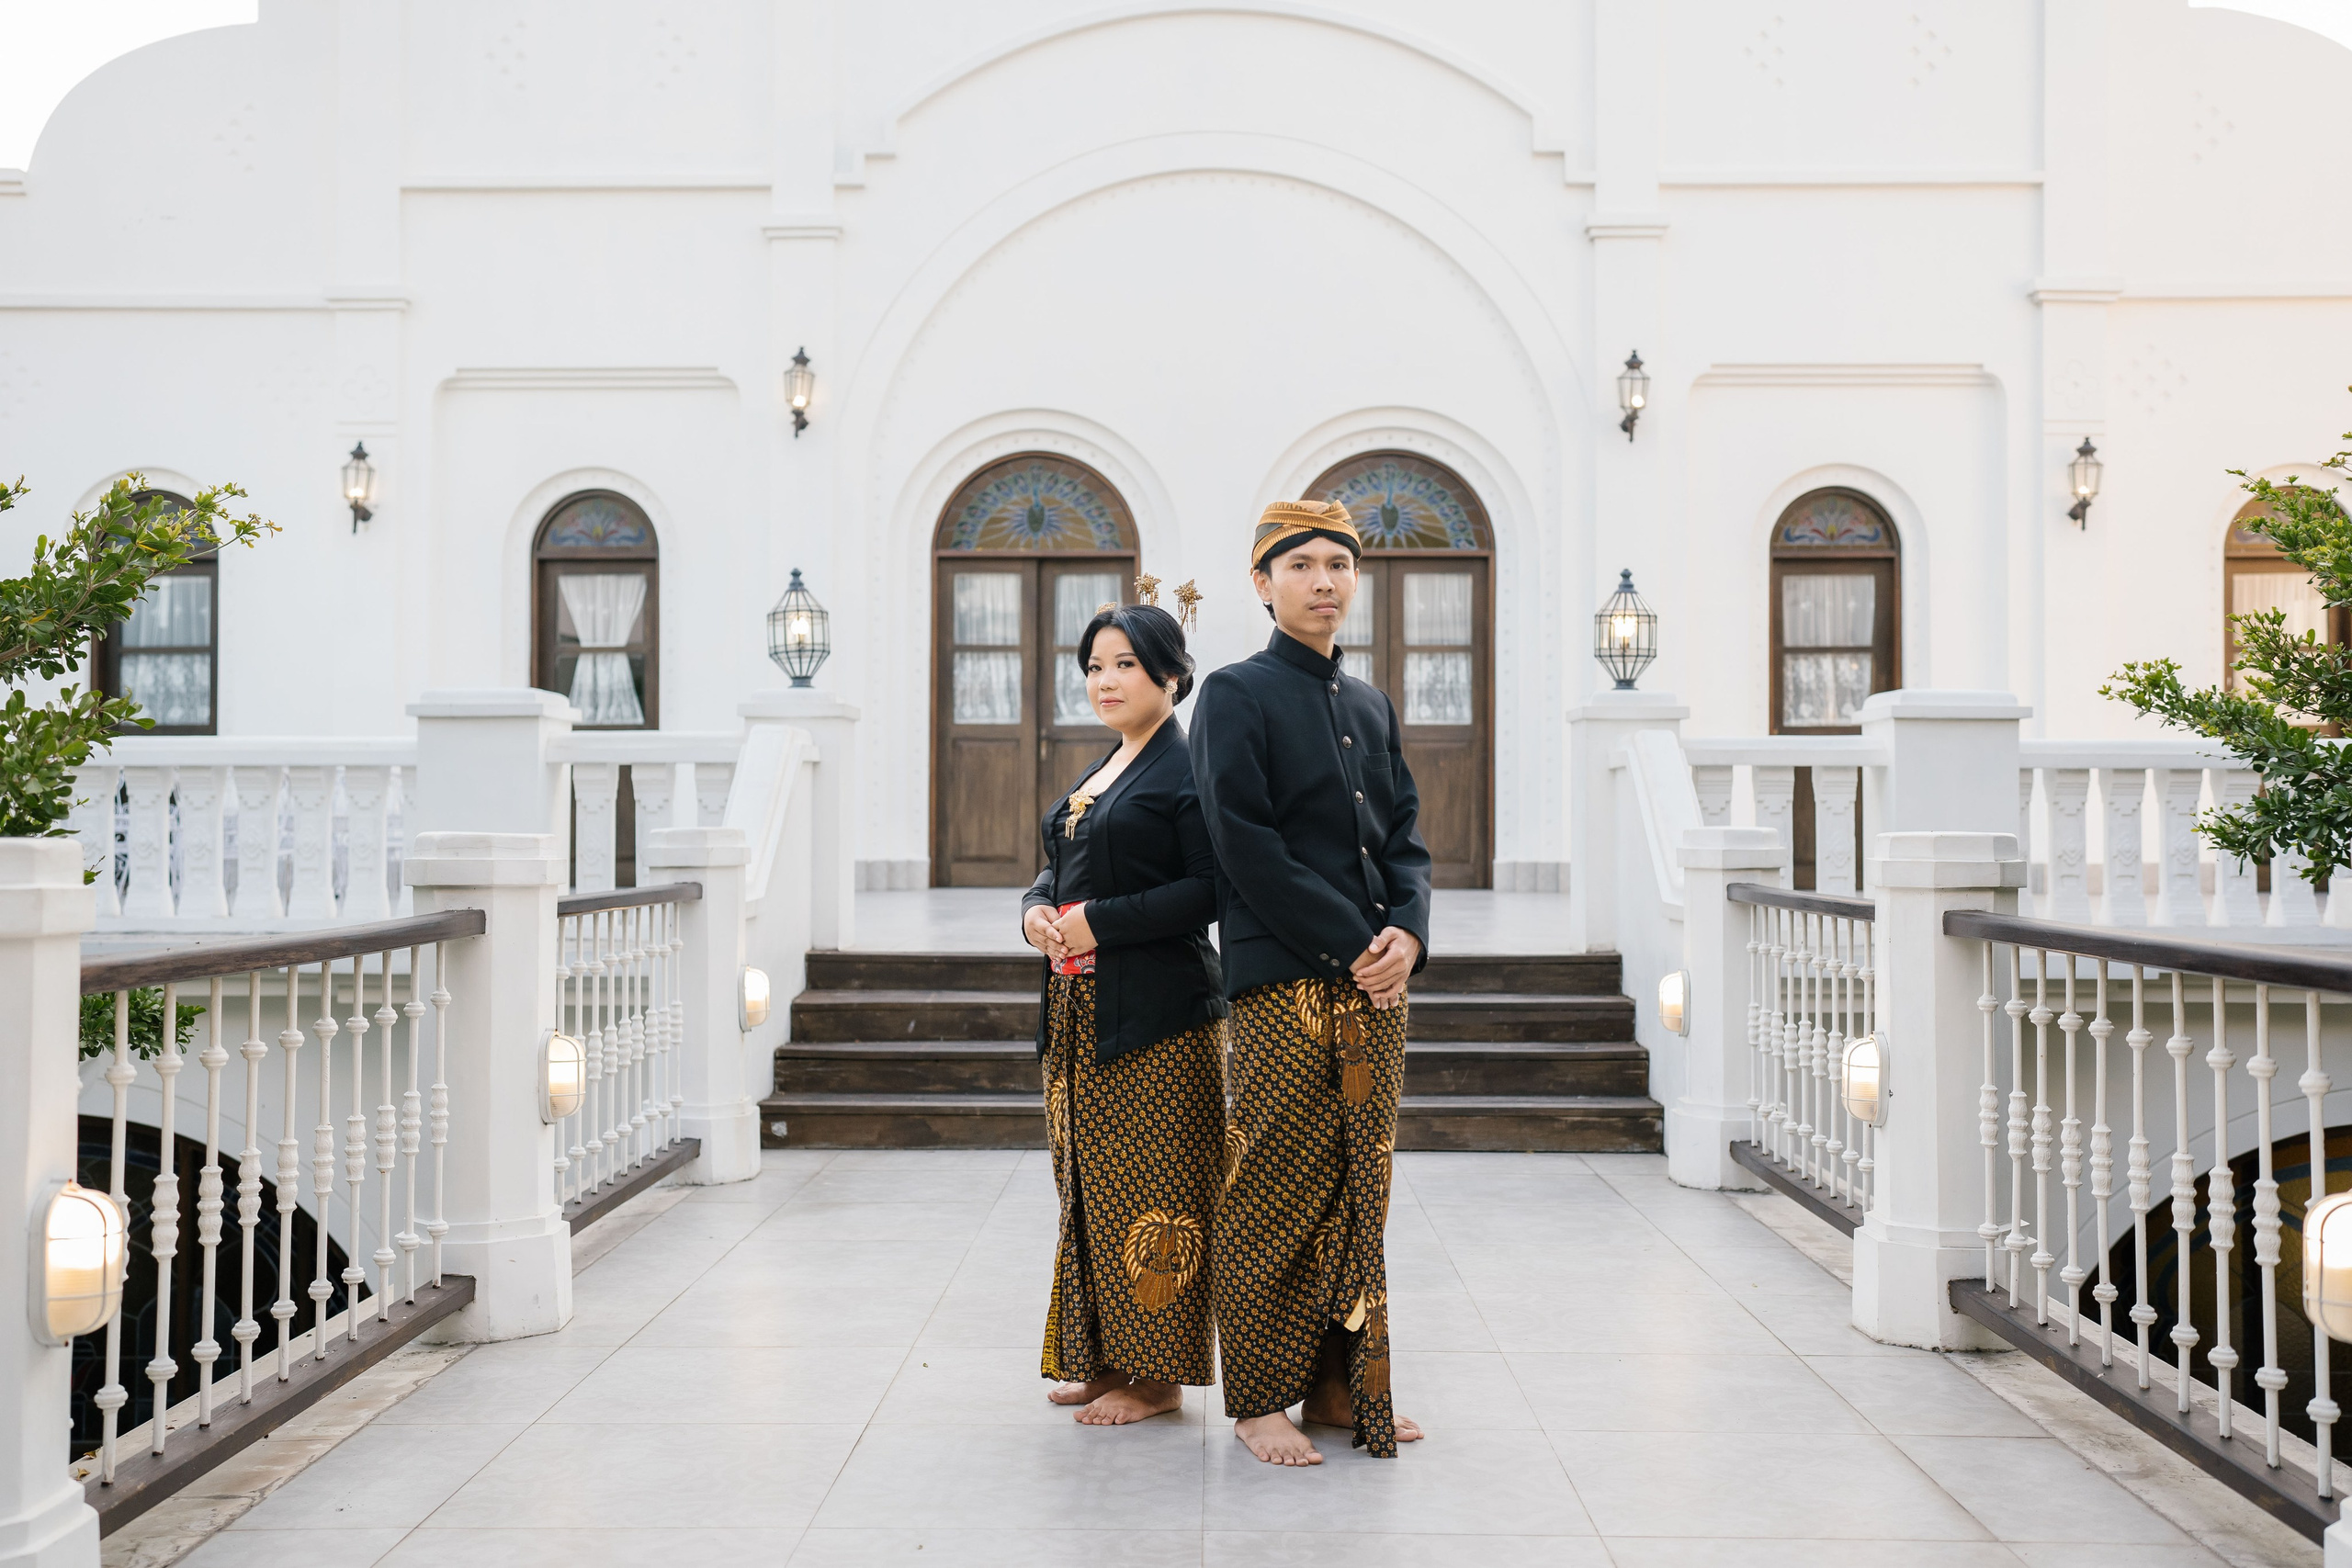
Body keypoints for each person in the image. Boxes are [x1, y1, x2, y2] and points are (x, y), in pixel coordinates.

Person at [1191, 497, 1430, 1464]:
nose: (1324, 581)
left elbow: (1404, 838)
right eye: (1302, 566)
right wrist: (1356, 944)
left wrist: (1406, 933)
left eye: (1339, 563)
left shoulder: (1368, 703)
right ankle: (1257, 1398)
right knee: (1276, 1183)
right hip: (1288, 977)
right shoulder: (1235, 694)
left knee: (1358, 1185)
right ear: (1263, 583)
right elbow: (1244, 845)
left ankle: (1338, 1387)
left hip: (1378, 983)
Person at [1023, 599, 1228, 1426]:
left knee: (1156, 1192)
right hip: (1076, 1010)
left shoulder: (1186, 768)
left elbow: (1211, 888)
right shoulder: (1104, 765)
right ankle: (1106, 1357)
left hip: (1160, 1017)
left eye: (1125, 666)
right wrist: (1035, 911)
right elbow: (1057, 868)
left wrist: (1097, 920)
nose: (1104, 681)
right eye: (1094, 667)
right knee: (1088, 1188)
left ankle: (1158, 1376)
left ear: (1171, 676)